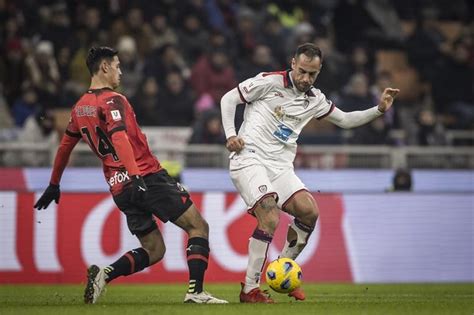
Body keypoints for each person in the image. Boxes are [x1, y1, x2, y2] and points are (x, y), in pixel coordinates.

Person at [33, 47, 228, 305]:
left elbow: (65, 146)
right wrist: (136, 176)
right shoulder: (114, 100)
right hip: (145, 176)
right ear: (104, 67)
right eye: (117, 66)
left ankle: (105, 274)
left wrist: (54, 183)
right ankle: (196, 292)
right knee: (198, 226)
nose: (120, 72)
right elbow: (118, 136)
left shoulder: (79, 108)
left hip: (118, 188)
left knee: (154, 250)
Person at [220, 43, 399, 303]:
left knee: (309, 211)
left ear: (319, 71)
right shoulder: (269, 82)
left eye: (312, 74)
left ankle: (283, 271)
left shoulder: (314, 99)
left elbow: (346, 120)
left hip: (280, 167)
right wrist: (231, 135)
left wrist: (379, 109)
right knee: (269, 215)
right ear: (293, 63)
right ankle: (249, 289)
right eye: (302, 71)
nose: (305, 79)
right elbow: (229, 99)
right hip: (250, 158)